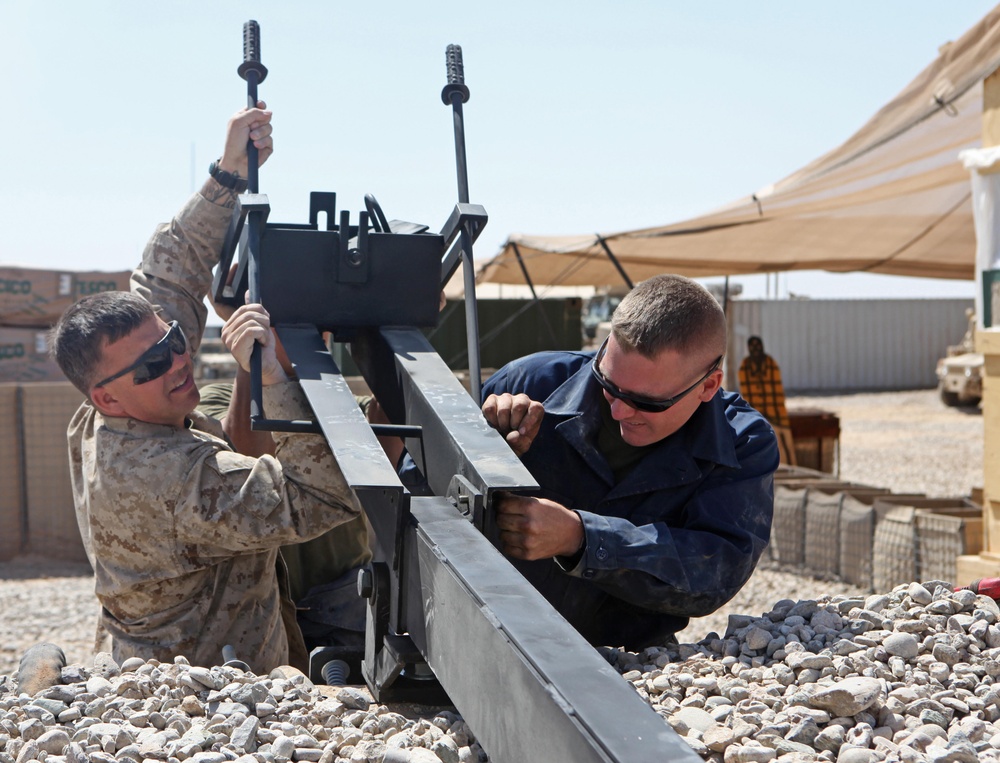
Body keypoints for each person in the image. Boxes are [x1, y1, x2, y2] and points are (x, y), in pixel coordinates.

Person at [50, 103, 364, 674]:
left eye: (172, 341)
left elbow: (168, 273)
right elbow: (327, 496)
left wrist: (226, 175)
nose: (177, 363)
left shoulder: (114, 402)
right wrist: (271, 376)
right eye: (152, 366)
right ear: (107, 398)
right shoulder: (168, 480)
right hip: (204, 695)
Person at [476, 274, 779, 650]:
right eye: (608, 385)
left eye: (646, 402)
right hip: (481, 642)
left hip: (628, 671)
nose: (619, 411)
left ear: (708, 386)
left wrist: (581, 537)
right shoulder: (529, 383)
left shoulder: (742, 443)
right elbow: (420, 498)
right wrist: (482, 455)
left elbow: (714, 570)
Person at [738, 335, 796, 464]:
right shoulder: (745, 366)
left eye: (758, 346)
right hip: (758, 415)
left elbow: (776, 391)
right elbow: (748, 394)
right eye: (752, 347)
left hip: (777, 413)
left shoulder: (770, 363)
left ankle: (790, 471)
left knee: (786, 446)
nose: (756, 349)